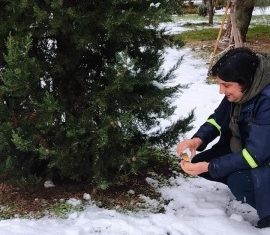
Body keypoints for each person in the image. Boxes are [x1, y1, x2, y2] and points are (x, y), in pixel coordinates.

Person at [176, 47, 270, 229]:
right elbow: (217, 119)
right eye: (220, 84)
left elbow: (256, 155)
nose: (221, 91)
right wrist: (197, 140)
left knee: (237, 181)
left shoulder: (266, 101)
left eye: (226, 85)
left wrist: (212, 167)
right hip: (246, 150)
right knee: (202, 162)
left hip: (262, 158)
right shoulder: (242, 90)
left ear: (245, 81)